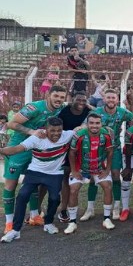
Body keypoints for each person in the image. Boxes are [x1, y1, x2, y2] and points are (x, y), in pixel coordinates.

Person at [3, 85, 66, 233]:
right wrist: (31, 131)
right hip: (18, 148)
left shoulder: (60, 109)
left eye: (62, 97)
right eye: (56, 96)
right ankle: (9, 222)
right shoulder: (34, 107)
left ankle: (34, 216)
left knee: (34, 182)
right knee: (11, 185)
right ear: (48, 95)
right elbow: (11, 123)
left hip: (36, 149)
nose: (59, 100)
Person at [0, 118, 73, 242]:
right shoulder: (37, 138)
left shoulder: (67, 135)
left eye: (59, 130)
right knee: (22, 196)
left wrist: (107, 129)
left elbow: (84, 129)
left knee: (55, 199)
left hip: (55, 173)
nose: (56, 133)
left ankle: (48, 223)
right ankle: (15, 230)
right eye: (52, 130)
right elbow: (18, 148)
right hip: (35, 172)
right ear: (45, 129)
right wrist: (1, 150)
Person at [84, 89, 133, 222]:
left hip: (115, 148)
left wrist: (131, 131)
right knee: (93, 177)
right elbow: (85, 126)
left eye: (113, 98)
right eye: (108, 98)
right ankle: (90, 209)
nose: (111, 100)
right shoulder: (97, 112)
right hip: (98, 148)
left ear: (117, 100)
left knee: (115, 175)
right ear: (104, 99)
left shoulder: (123, 112)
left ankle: (116, 208)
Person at [65, 113, 114, 234]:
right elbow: (71, 153)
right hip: (81, 169)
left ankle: (106, 219)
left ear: (101, 123)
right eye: (91, 123)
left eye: (97, 123)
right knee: (73, 189)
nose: (94, 126)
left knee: (107, 186)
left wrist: (107, 169)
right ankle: (72, 222)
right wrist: (74, 170)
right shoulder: (79, 135)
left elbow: (110, 151)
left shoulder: (106, 135)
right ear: (87, 124)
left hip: (99, 168)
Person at [56, 92, 92, 222]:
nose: (81, 102)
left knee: (83, 179)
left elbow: (98, 114)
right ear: (73, 100)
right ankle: (63, 209)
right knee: (65, 177)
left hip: (83, 148)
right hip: (66, 147)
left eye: (84, 100)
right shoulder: (65, 110)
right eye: (79, 100)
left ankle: (89, 209)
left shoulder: (88, 110)